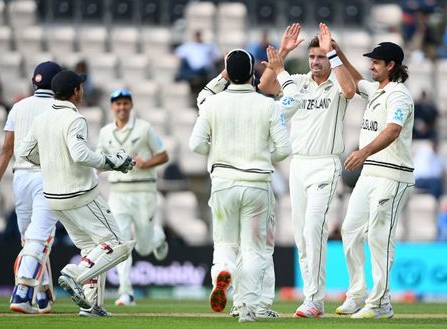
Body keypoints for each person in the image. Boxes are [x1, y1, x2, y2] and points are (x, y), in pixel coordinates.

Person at [18, 70, 136, 317]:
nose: (82, 90)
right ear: (75, 91)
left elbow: (26, 154)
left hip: (54, 198)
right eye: (80, 86)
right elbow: (80, 155)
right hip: (80, 195)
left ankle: (92, 307)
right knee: (118, 244)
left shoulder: (42, 118)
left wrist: (53, 162)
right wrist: (111, 162)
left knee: (91, 248)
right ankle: (76, 274)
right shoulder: (75, 119)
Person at [258, 22, 356, 318]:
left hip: (326, 164)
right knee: (302, 235)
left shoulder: (337, 84)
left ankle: (314, 299)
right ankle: (314, 300)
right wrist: (284, 52)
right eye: (313, 56)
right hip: (297, 164)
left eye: (321, 57)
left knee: (315, 229)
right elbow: (264, 86)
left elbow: (351, 89)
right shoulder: (298, 82)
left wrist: (334, 53)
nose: (315, 62)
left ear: (329, 58)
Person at [189, 48, 293, 322]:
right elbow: (283, 149)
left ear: (226, 74)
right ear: (253, 74)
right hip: (257, 184)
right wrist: (257, 157)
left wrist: (221, 152)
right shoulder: (268, 105)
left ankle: (223, 274)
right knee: (254, 250)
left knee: (224, 244)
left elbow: (196, 144)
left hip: (223, 182)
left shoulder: (211, 104)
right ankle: (246, 308)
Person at [334, 41, 414, 319]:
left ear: (391, 65)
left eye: (376, 62)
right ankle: (357, 295)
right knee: (350, 230)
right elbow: (356, 82)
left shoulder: (399, 95)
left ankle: (380, 302)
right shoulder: (377, 91)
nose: (371, 66)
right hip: (369, 174)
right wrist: (335, 52)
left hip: (392, 173)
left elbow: (393, 130)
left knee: (379, 237)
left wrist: (364, 151)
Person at [0, 61, 62, 314]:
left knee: (30, 240)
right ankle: (22, 292)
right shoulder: (61, 107)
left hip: (20, 178)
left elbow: (6, 150)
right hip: (48, 177)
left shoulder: (18, 106)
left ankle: (43, 293)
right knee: (39, 239)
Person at [97, 88, 169, 307]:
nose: (121, 108)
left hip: (144, 191)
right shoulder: (105, 132)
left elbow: (164, 154)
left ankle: (157, 237)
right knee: (121, 242)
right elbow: (98, 159)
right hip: (118, 192)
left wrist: (146, 163)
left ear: (131, 105)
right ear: (112, 107)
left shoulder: (144, 128)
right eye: (117, 104)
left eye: (125, 103)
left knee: (143, 248)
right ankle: (125, 291)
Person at [175, 30, 222, 106]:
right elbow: (177, 54)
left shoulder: (208, 47)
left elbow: (218, 57)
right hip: (191, 72)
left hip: (204, 73)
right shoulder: (188, 46)